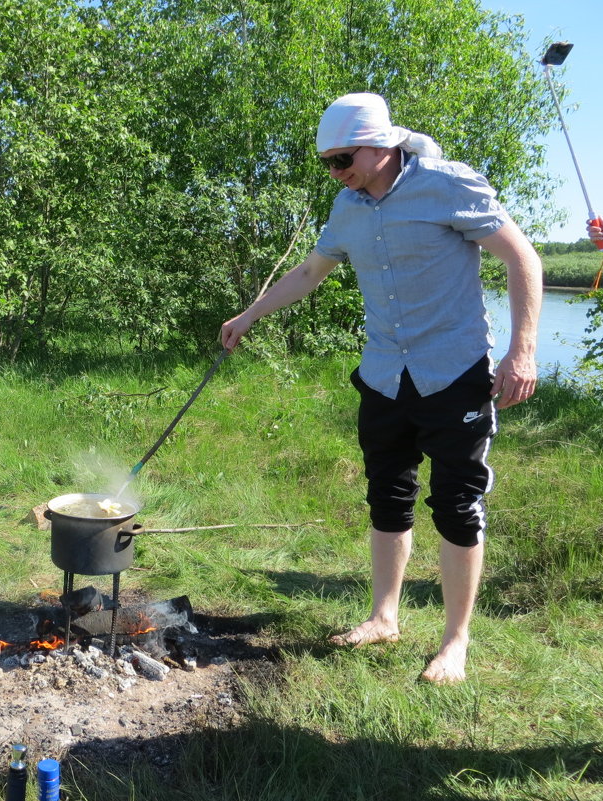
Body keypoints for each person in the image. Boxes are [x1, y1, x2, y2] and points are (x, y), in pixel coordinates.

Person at [221, 92, 542, 685]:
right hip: (384, 376)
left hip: (454, 374)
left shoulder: (448, 185)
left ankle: (454, 641)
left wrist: (522, 351)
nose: (336, 173)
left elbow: (522, 258)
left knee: (456, 506)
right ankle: (384, 617)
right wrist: (250, 314)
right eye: (329, 163)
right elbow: (310, 272)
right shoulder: (347, 208)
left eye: (342, 159)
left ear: (380, 144)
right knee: (388, 499)